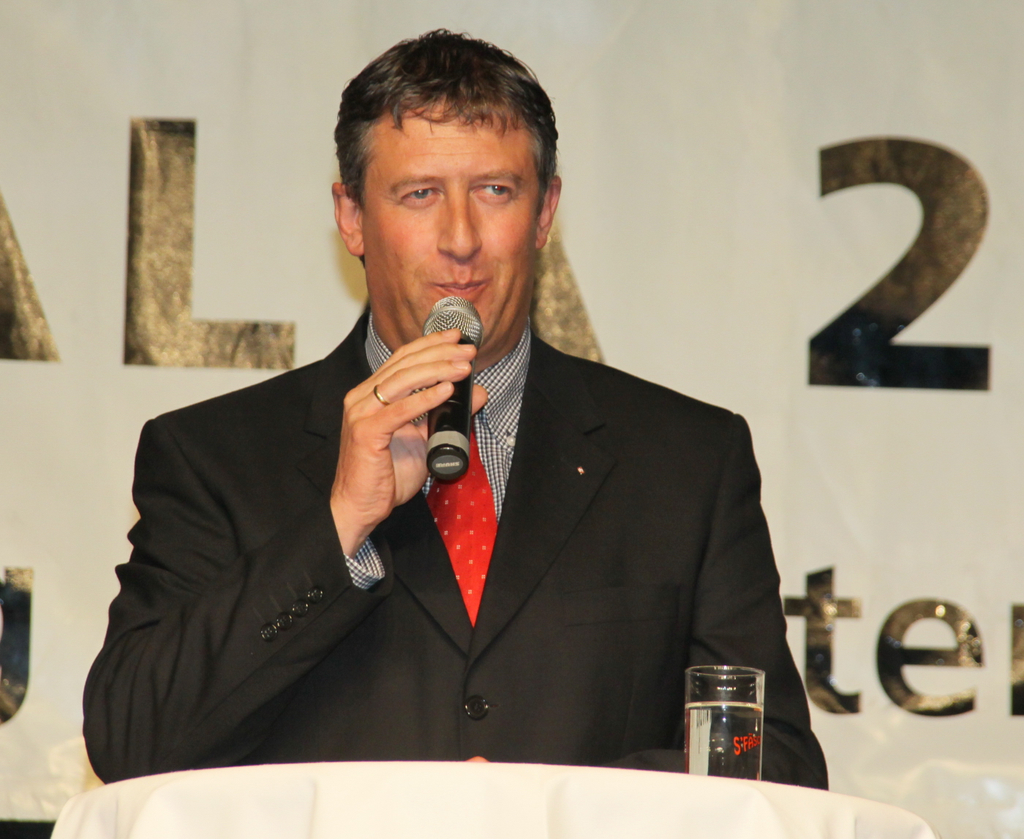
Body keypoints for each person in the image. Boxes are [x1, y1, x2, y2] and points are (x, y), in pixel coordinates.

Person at [83, 30, 827, 788]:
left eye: (496, 191)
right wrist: (339, 524)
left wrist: (553, 806)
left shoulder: (687, 461)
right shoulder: (210, 456)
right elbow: (132, 741)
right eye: (420, 194)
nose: (461, 239)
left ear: (545, 212)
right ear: (351, 215)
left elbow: (774, 760)